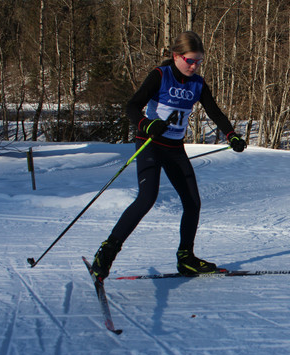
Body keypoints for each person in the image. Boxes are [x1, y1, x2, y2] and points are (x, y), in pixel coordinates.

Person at [91, 31, 246, 280]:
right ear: (176, 56)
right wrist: (146, 124)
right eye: (189, 60)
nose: (194, 66)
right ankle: (106, 253)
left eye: (198, 61)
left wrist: (231, 135)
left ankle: (186, 258)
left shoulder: (198, 83)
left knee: (192, 202)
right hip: (150, 144)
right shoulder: (159, 76)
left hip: (175, 148)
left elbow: (214, 111)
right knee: (147, 198)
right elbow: (131, 106)